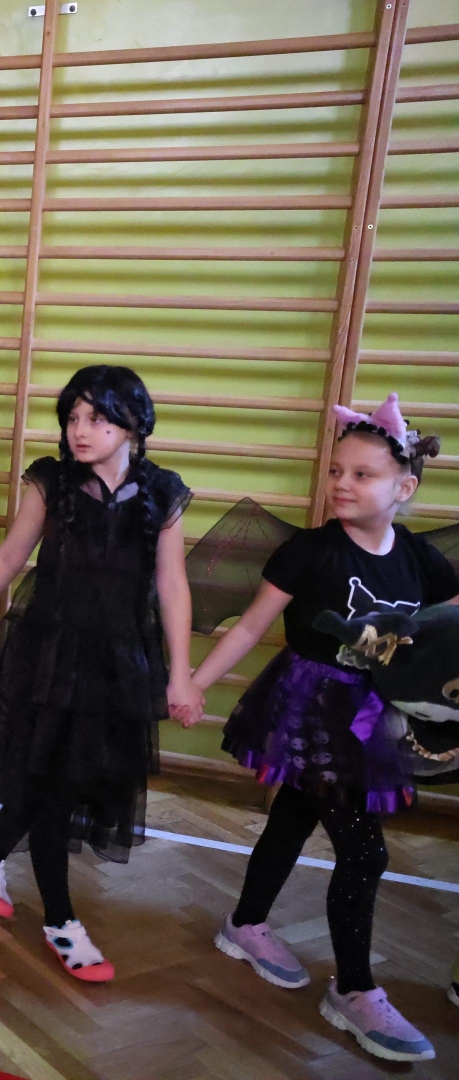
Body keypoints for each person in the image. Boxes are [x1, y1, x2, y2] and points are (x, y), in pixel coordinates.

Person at [189, 394, 451, 1063]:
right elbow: (249, 626)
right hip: (311, 709)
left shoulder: (417, 558)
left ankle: (244, 923)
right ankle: (354, 990)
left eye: (361, 474)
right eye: (336, 470)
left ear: (403, 489)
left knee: (293, 816)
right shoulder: (308, 552)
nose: (341, 483)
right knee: (365, 853)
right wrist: (193, 683)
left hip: (372, 714)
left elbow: (448, 617)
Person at [0, 365, 196, 984]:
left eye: (98, 418)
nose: (80, 430)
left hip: (118, 661)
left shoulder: (163, 492)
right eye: (73, 418)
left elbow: (172, 585)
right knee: (51, 783)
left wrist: (182, 674)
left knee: (61, 779)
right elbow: (11, 554)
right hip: (50, 654)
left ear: (133, 425)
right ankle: (61, 920)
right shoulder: (52, 480)